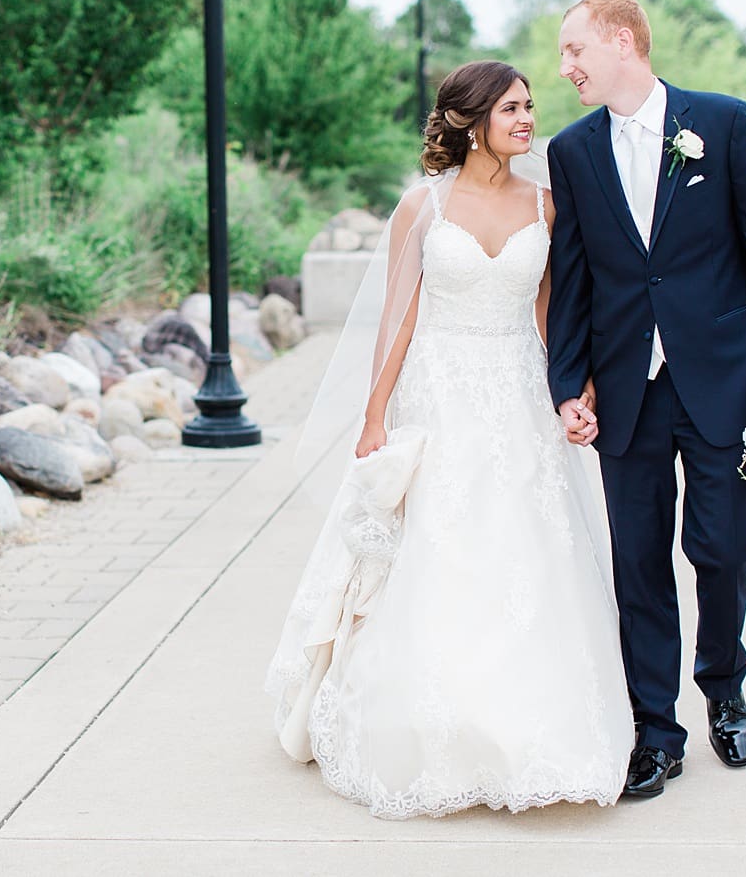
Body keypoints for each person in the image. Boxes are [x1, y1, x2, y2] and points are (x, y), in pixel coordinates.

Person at [267, 61, 632, 820]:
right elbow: (398, 317)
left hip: (520, 394)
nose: (527, 119)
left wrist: (572, 389)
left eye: (530, 106)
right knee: (440, 546)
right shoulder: (421, 207)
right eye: (511, 108)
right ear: (470, 120)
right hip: (438, 393)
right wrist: (374, 416)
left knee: (527, 551)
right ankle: (429, 723)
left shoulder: (547, 204)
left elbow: (548, 313)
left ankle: (528, 726)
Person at [546, 0, 746, 798]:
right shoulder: (572, 152)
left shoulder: (724, 121)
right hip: (628, 394)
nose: (564, 67)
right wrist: (567, 384)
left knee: (725, 550)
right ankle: (655, 731)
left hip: (725, 382)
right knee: (636, 563)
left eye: (574, 50)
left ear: (622, 40)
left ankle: (724, 684)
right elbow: (572, 278)